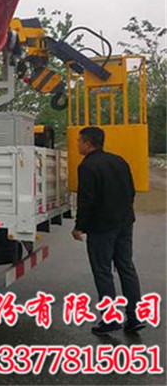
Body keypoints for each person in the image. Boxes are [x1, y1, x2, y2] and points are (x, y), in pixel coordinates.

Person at [72, 126, 144, 335]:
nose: (77, 144)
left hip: (101, 228)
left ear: (88, 143)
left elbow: (86, 200)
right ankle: (134, 317)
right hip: (124, 223)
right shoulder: (119, 161)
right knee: (126, 268)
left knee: (103, 272)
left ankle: (111, 319)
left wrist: (79, 226)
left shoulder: (87, 166)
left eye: (79, 141)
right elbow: (131, 191)